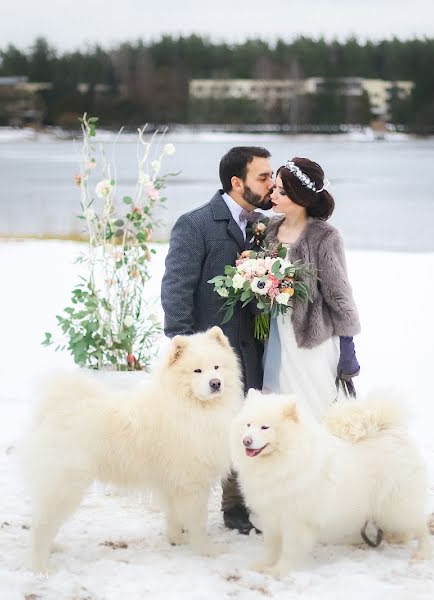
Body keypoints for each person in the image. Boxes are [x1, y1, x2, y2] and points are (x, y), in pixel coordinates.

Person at [161, 146, 274, 535]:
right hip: (212, 354)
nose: (271, 183)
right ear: (236, 182)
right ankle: (192, 506)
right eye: (263, 176)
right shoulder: (195, 224)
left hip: (255, 348)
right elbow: (176, 288)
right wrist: (186, 347)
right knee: (208, 434)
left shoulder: (265, 225)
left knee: (249, 423)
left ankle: (239, 504)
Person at [262, 157, 361, 418]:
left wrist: (348, 347)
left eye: (281, 191)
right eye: (275, 188)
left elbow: (339, 294)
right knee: (279, 410)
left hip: (309, 339)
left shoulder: (325, 236)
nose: (273, 194)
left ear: (300, 197)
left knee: (314, 405)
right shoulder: (269, 230)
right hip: (273, 333)